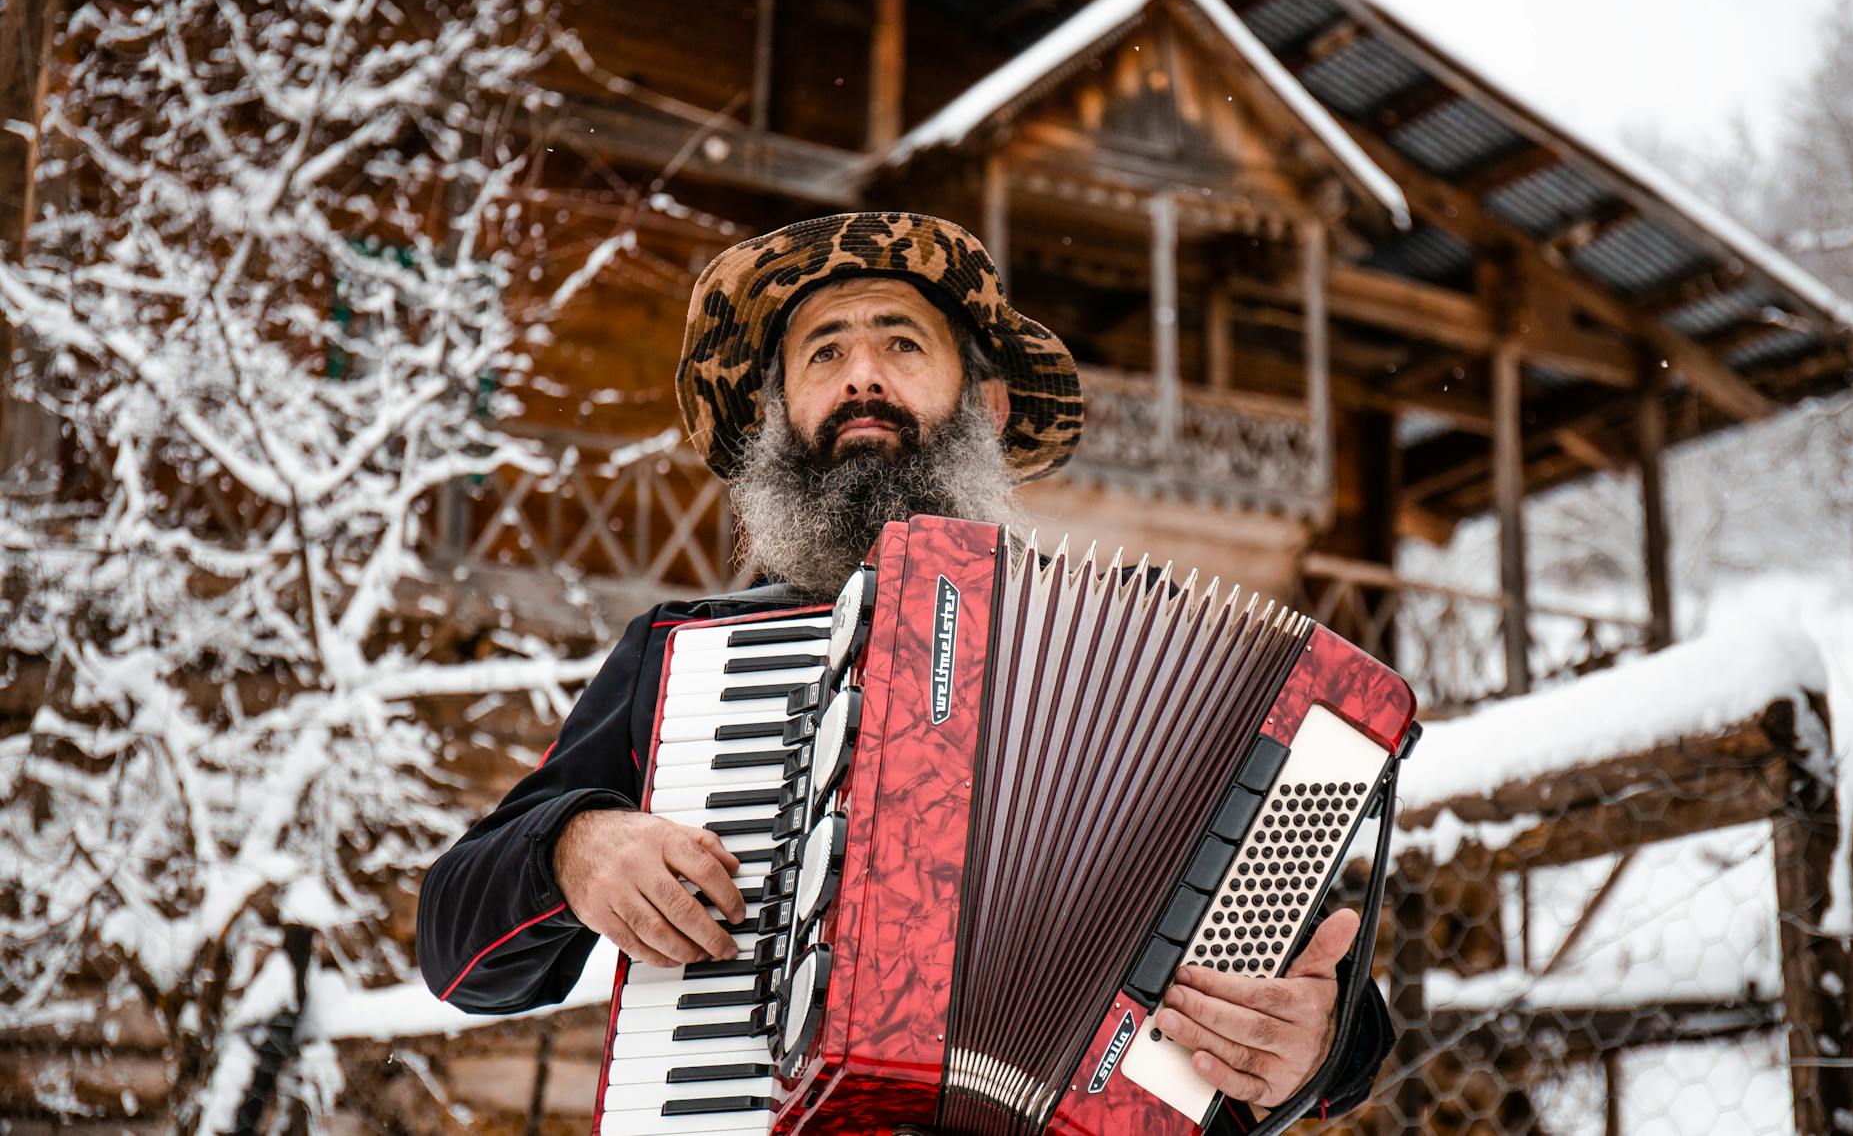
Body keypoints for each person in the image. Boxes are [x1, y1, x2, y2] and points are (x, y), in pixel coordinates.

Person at [417, 211, 1397, 1125]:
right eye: (823, 350)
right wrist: (573, 848)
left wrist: (1311, 1045)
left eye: (901, 341)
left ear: (988, 405)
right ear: (774, 414)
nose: (861, 375)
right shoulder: (683, 662)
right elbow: (455, 944)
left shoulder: (1139, 660)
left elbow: (1312, 985)